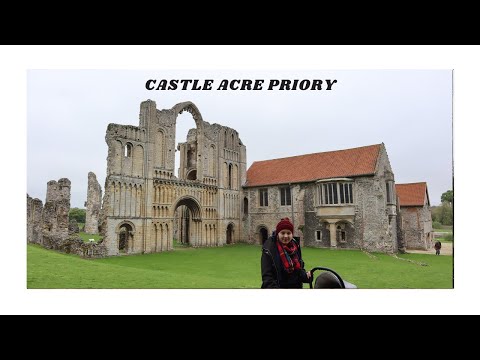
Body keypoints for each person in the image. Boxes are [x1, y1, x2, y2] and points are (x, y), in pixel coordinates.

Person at [261, 217, 311, 288]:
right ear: (278, 233)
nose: (286, 236)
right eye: (283, 233)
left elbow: (298, 270)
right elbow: (267, 278)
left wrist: (306, 276)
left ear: (292, 234)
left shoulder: (295, 246)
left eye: (288, 233)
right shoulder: (269, 249)